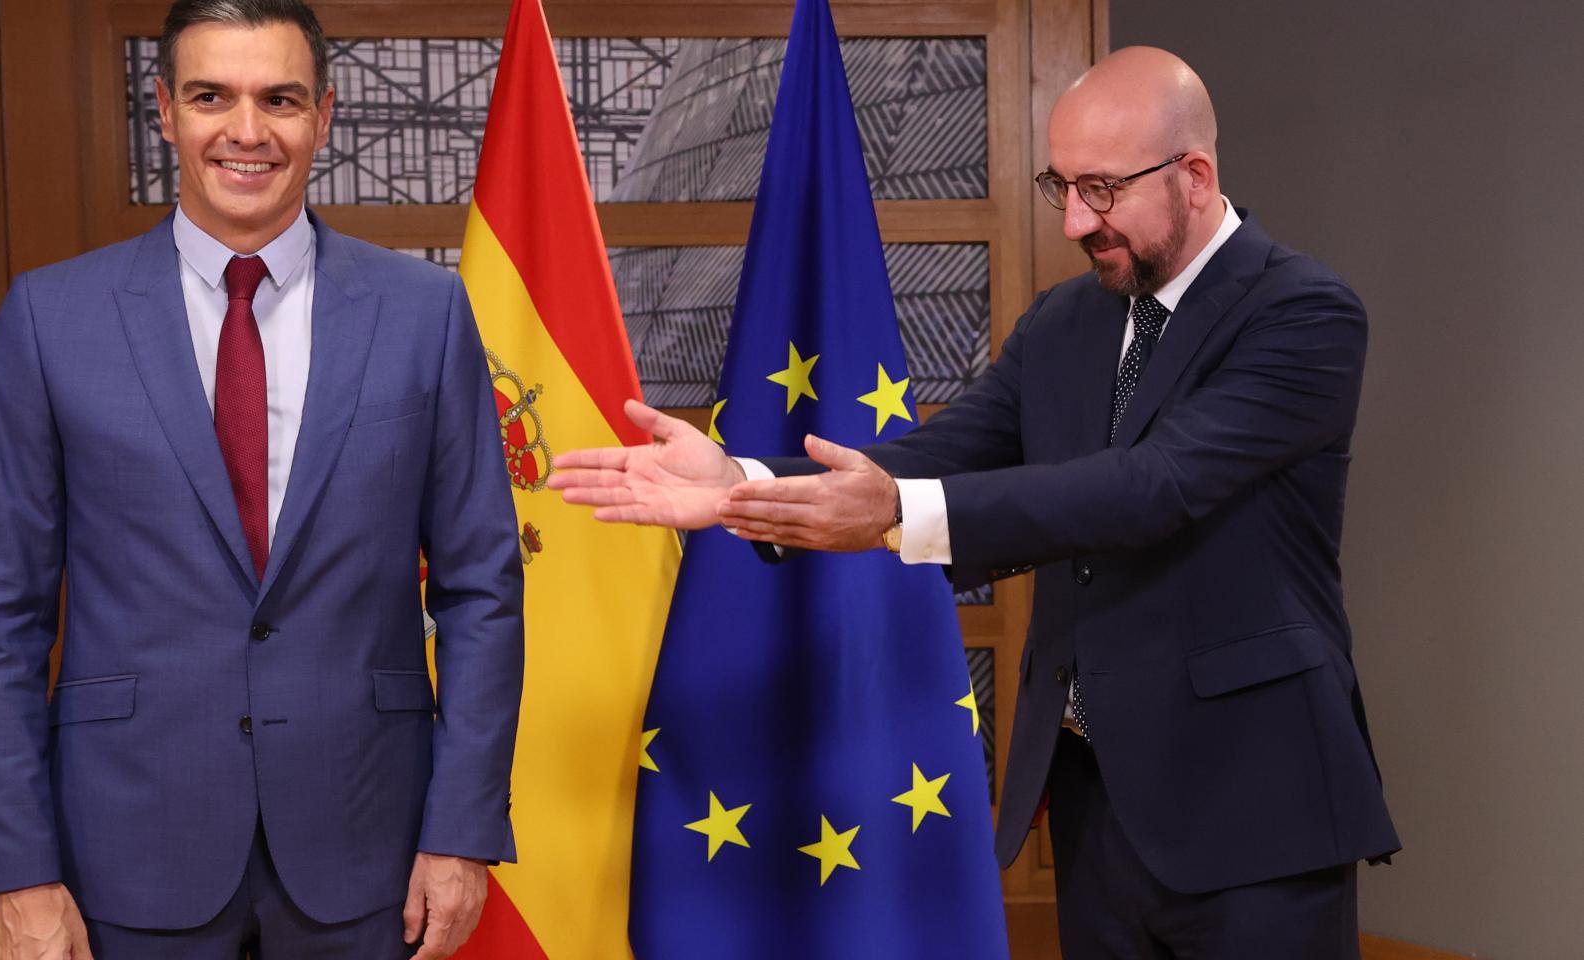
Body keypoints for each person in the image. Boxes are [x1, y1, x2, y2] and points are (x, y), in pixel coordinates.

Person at [552, 46, 1398, 959]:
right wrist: (743, 485)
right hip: (1093, 791)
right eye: (1060, 185)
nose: (1076, 220)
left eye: (1103, 190)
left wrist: (891, 516)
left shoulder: (1303, 313)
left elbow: (1154, 486)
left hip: (1256, 801)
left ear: (1194, 176)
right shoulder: (1063, 324)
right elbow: (927, 455)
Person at [0, 1, 523, 957]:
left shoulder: (426, 314)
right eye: (212, 96)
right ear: (166, 111)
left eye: (281, 99)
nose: (247, 131)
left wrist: (462, 833)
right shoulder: (51, 318)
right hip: (122, 852)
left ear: (325, 116)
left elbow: (481, 589)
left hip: (368, 847)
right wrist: (17, 866)